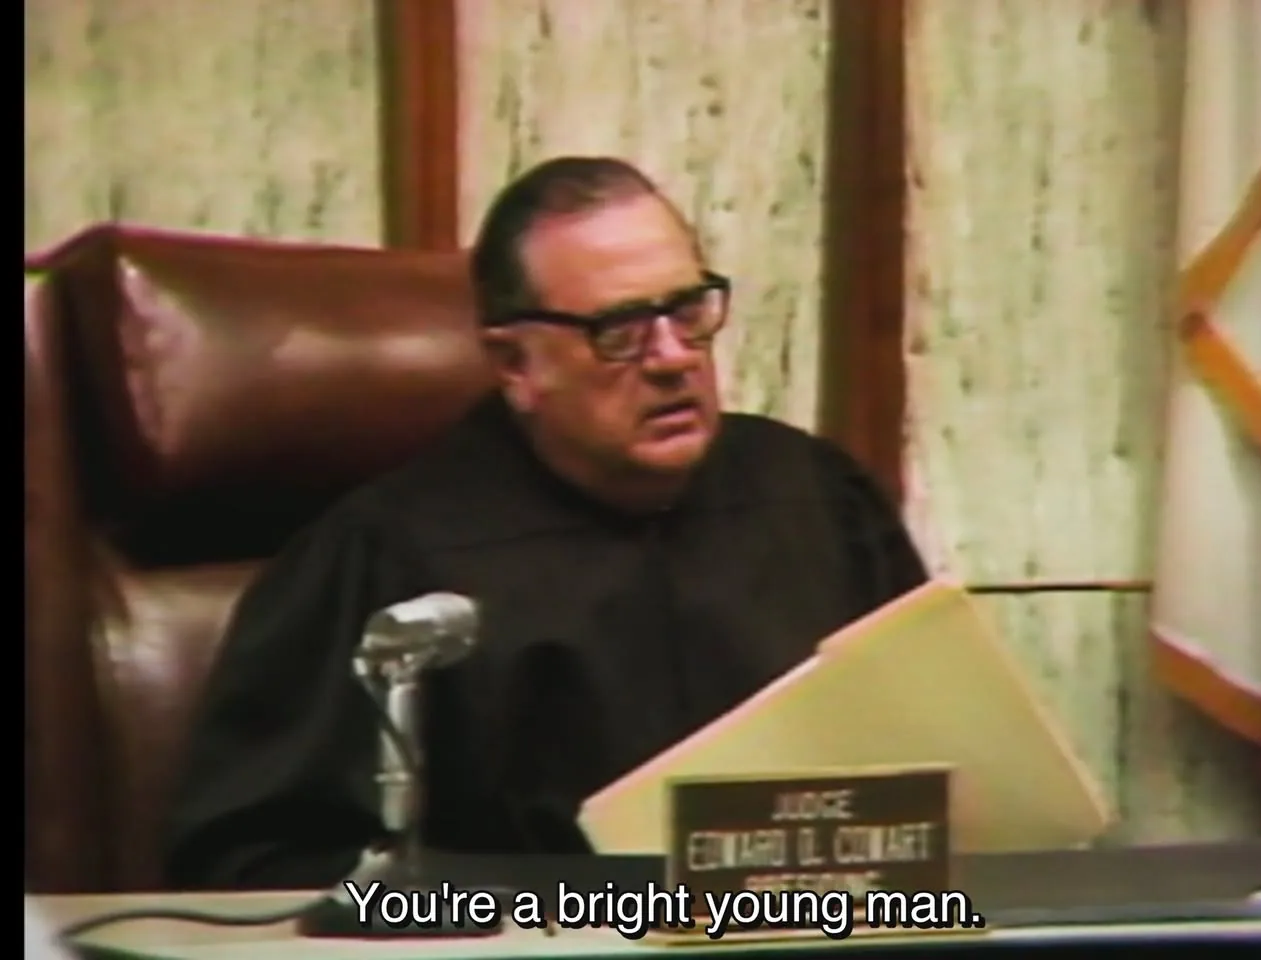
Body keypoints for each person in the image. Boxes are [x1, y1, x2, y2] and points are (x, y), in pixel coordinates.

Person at [163, 157, 927, 891]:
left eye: (688, 311)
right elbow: (250, 864)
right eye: (619, 330)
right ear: (514, 365)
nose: (672, 358)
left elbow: (934, 775)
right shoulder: (389, 558)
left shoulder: (820, 500)